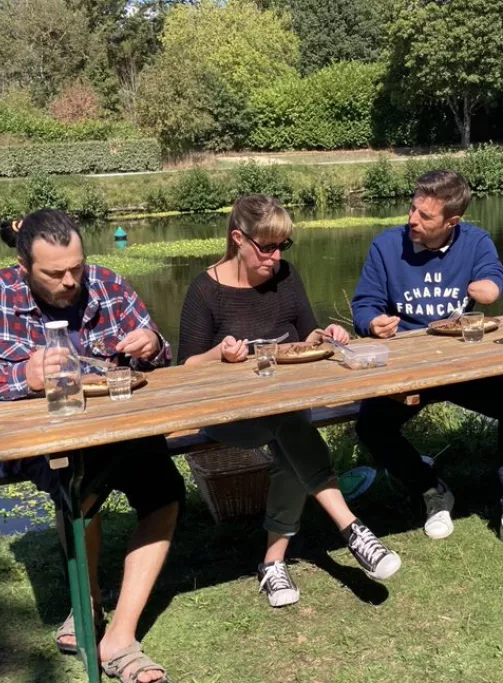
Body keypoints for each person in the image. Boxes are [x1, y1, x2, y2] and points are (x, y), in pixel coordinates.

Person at [0, 210, 180, 683]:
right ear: (23, 266)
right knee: (81, 493)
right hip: (43, 437)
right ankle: (85, 602)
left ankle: (119, 638)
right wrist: (19, 376)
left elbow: (161, 351)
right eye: (54, 273)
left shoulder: (108, 285)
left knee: (165, 493)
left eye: (77, 268)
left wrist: (151, 343)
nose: (70, 281)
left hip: (120, 429)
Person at [176, 195, 401, 608]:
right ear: (238, 239)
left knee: (288, 432)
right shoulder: (205, 290)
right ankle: (351, 528)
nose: (276, 257)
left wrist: (326, 336)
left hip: (285, 406)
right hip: (227, 414)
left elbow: (306, 338)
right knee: (290, 425)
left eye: (283, 246)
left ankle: (273, 562)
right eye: (267, 247)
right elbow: (184, 368)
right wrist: (217, 356)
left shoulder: (287, 277)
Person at [350, 170, 503, 566]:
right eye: (413, 208)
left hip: (464, 363)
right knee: (372, 424)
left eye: (425, 216)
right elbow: (364, 304)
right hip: (408, 368)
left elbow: (492, 278)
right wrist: (371, 323)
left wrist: (490, 289)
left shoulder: (475, 241)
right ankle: (431, 490)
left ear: (451, 222)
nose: (413, 219)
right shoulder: (386, 246)